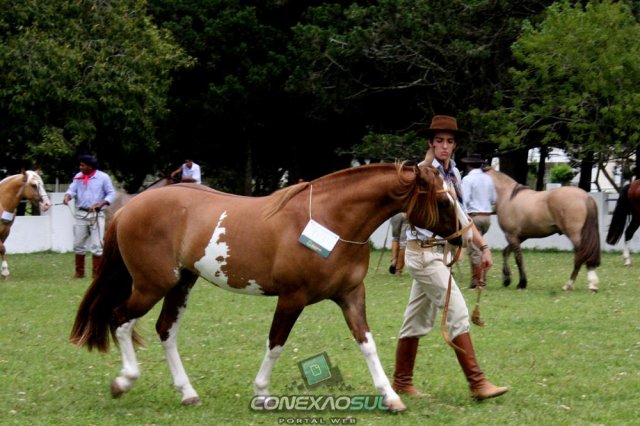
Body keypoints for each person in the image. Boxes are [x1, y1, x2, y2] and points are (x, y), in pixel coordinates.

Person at [391, 115, 508, 400]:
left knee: (415, 320)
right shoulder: (422, 173)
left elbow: (462, 215)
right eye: (439, 141)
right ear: (431, 143)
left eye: (450, 141)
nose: (445, 146)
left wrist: (483, 247)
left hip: (441, 254)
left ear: (455, 145)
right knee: (457, 311)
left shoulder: (454, 173)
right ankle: (477, 383)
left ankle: (401, 381)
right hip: (423, 253)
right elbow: (414, 197)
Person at [63, 154, 116, 279]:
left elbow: (111, 193)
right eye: (80, 165)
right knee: (78, 243)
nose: (80, 167)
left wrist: (102, 203)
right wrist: (67, 196)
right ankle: (79, 273)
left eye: (82, 165)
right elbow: (72, 189)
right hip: (81, 213)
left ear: (90, 167)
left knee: (97, 245)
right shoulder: (78, 177)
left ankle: (96, 274)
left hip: (96, 214)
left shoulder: (103, 177)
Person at [461, 153, 497, 289]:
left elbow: (464, 200)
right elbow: (493, 199)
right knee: (480, 247)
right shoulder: (488, 179)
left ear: (468, 165)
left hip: (474, 216)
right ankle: (479, 279)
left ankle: (479, 281)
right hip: (487, 217)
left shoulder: (468, 179)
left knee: (475, 250)